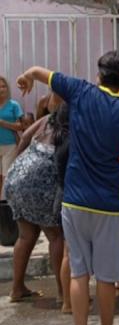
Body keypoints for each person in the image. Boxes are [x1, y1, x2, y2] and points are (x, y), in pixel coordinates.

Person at [16, 51, 119, 325]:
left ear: (100, 75)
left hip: (75, 200)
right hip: (110, 203)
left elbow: (38, 70)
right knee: (105, 276)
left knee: (79, 273)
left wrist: (25, 77)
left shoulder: (80, 90)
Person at [5, 102, 68, 303]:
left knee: (26, 235)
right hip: (42, 181)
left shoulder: (46, 119)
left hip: (18, 176)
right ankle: (62, 292)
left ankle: (17, 289)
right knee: (56, 235)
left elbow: (24, 137)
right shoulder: (73, 127)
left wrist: (19, 163)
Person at [0, 75, 24, 198]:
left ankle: (4, 207)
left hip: (10, 146)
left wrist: (3, 123)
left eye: (3, 86)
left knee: (6, 176)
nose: (1, 89)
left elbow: (22, 126)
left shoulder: (14, 105)